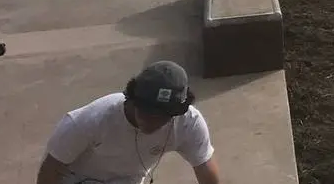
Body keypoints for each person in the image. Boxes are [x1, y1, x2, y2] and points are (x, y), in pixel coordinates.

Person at [35, 60, 221, 184]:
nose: (153, 122)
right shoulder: (90, 120)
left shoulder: (189, 123)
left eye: (163, 116)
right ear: (131, 99)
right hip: (75, 179)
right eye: (148, 113)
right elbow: (51, 168)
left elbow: (204, 166)